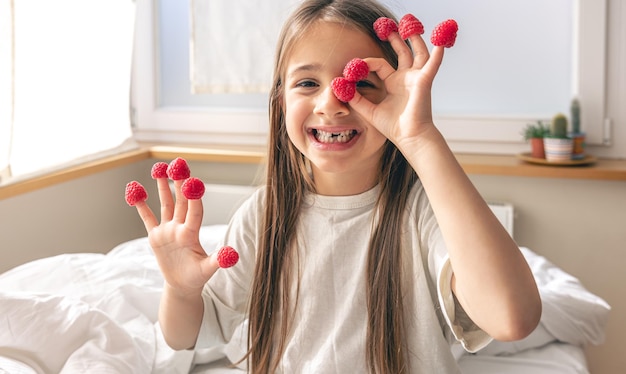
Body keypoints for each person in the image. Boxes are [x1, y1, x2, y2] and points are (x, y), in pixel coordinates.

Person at [132, 0, 542, 372]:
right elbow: (186, 336)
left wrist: (420, 138)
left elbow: (511, 317)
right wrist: (181, 290)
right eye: (308, 83)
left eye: (361, 82)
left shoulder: (422, 212)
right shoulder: (262, 215)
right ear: (280, 104)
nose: (332, 102)